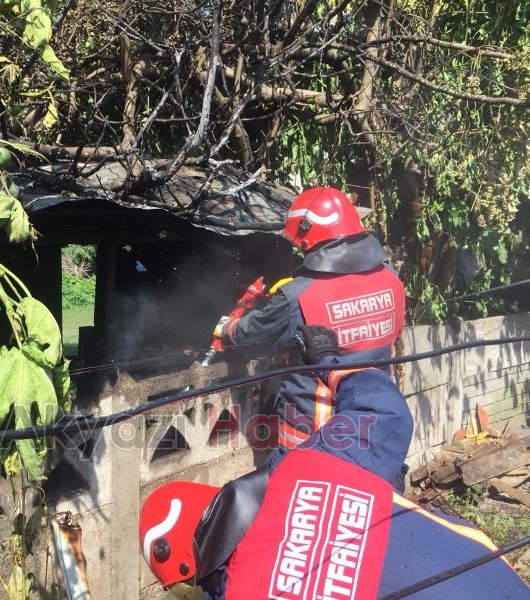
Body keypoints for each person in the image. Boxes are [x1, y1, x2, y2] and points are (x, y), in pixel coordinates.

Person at [139, 326, 529, 599]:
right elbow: (384, 411)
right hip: (501, 580)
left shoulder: (247, 591)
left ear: (191, 575)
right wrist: (328, 361)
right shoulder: (309, 466)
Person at [213, 187, 406, 458]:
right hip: (376, 427)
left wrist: (228, 328)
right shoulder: (391, 278)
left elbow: (253, 335)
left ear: (308, 236)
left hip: (316, 439)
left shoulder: (297, 295)